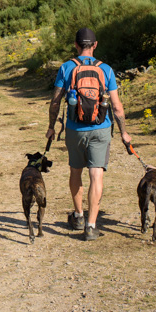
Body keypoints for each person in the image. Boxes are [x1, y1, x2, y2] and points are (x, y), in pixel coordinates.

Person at [46, 27, 133, 241]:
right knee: (96, 175)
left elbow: (55, 102)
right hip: (101, 129)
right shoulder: (107, 70)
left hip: (75, 130)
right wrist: (124, 133)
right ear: (95, 45)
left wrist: (51, 127)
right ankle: (92, 226)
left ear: (76, 45)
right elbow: (117, 106)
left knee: (76, 172)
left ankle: (78, 217)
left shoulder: (67, 68)